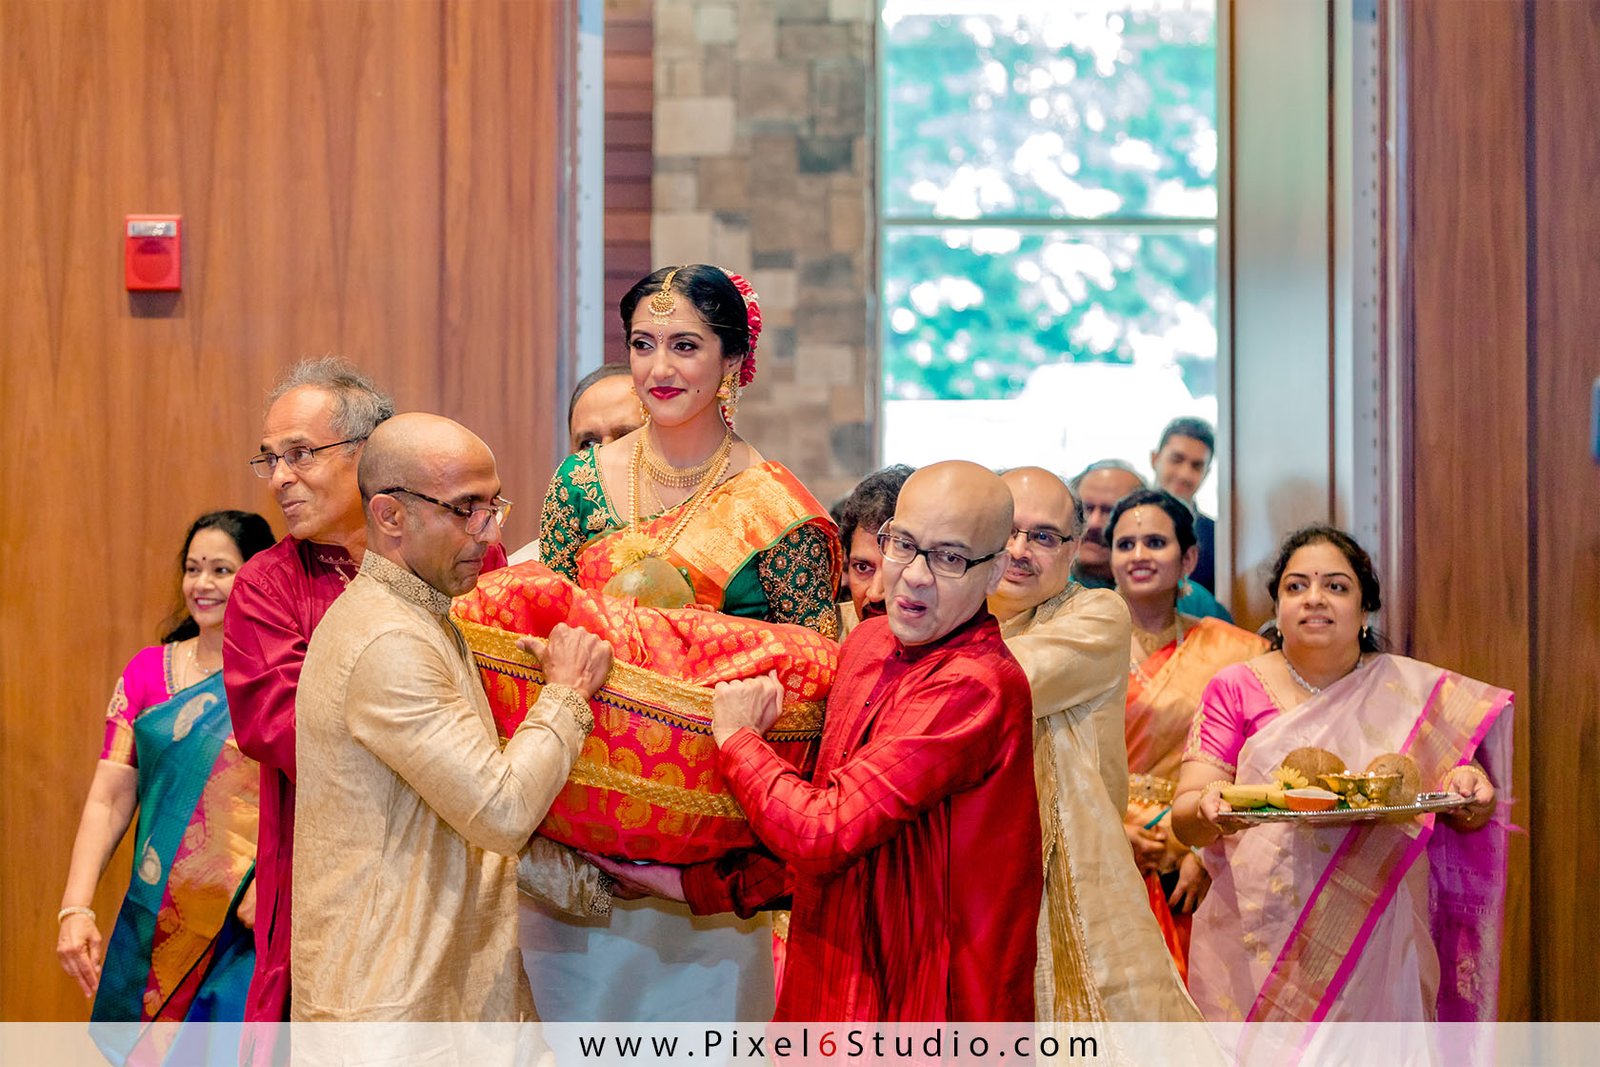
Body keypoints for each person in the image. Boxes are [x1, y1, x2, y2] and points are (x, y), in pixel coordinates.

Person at [602, 462, 1042, 1021]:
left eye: (949, 558)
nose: (912, 576)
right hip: (828, 977)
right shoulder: (867, 643)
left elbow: (822, 831)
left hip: (927, 1004)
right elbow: (819, 846)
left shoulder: (975, 685)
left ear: (996, 570)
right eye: (903, 544)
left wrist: (738, 738)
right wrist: (685, 885)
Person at [525, 264, 842, 1022]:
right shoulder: (580, 483)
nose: (659, 368)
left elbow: (815, 683)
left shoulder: (777, 508)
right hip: (579, 835)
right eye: (643, 344)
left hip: (710, 855)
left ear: (734, 360)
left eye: (685, 346)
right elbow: (542, 624)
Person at [291, 414, 611, 1022]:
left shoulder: (425, 616)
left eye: (493, 506)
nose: (490, 533)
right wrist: (567, 694)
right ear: (390, 515)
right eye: (466, 510)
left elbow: (454, 823)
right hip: (391, 1010)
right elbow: (500, 812)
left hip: (442, 995)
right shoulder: (389, 639)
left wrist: (607, 884)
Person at [1172, 526, 1509, 1055]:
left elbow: (1464, 808)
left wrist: (1471, 791)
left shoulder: (1408, 690)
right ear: (1277, 608)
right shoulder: (1234, 688)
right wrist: (1212, 808)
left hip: (1377, 936)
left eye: (1336, 586)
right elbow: (1187, 814)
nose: (1314, 598)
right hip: (1263, 939)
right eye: (1296, 586)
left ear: (1365, 608)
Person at [223, 357, 404, 1026]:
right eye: (270, 459)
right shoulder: (266, 587)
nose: (279, 478)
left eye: (300, 454)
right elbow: (298, 734)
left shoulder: (452, 561)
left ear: (369, 454)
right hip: (330, 878)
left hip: (454, 866)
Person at [988, 469, 1202, 1023]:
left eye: (1043, 536)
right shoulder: (954, 616)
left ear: (1075, 547)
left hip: (1074, 877)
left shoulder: (1094, 614)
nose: (1019, 550)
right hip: (965, 877)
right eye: (1008, 530)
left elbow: (995, 688)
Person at [57, 511, 274, 1052]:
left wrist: (277, 887)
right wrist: (76, 907)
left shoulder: (276, 678)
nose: (203, 584)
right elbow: (108, 799)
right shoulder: (147, 673)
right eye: (193, 568)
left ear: (255, 578)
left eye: (221, 570)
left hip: (242, 928)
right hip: (154, 920)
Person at [1107, 489, 1267, 981]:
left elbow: (1258, 764)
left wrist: (1206, 851)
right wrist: (1109, 834)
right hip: (1100, 847)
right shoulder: (1080, 647)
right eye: (1125, 544)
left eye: (1155, 542)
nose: (1138, 555)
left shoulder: (1235, 651)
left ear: (1189, 559)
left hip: (1194, 854)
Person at [507, 364, 643, 566]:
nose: (601, 458)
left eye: (625, 438)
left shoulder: (691, 540)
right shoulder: (530, 569)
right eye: (589, 444)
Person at [1071, 459, 1232, 622]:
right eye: (1085, 509)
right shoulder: (1055, 593)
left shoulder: (1197, 604)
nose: (1093, 523)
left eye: (1109, 511)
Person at [832, 463, 914, 635]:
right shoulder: (825, 637)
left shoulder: (961, 647)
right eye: (862, 568)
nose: (875, 594)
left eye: (894, 568)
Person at [1149, 416, 1218, 595]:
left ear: (1207, 473)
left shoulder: (1216, 538)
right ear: (1154, 459)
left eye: (1196, 466)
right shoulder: (1118, 523)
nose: (1185, 474)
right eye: (1176, 460)